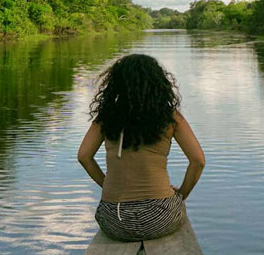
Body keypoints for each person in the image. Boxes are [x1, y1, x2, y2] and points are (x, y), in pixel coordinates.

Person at [76, 53, 205, 241]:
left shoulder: (106, 117)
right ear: (158, 83)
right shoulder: (170, 117)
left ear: (116, 84)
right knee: (177, 208)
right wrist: (181, 195)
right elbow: (198, 161)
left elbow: (84, 156)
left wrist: (107, 185)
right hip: (160, 217)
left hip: (114, 219)